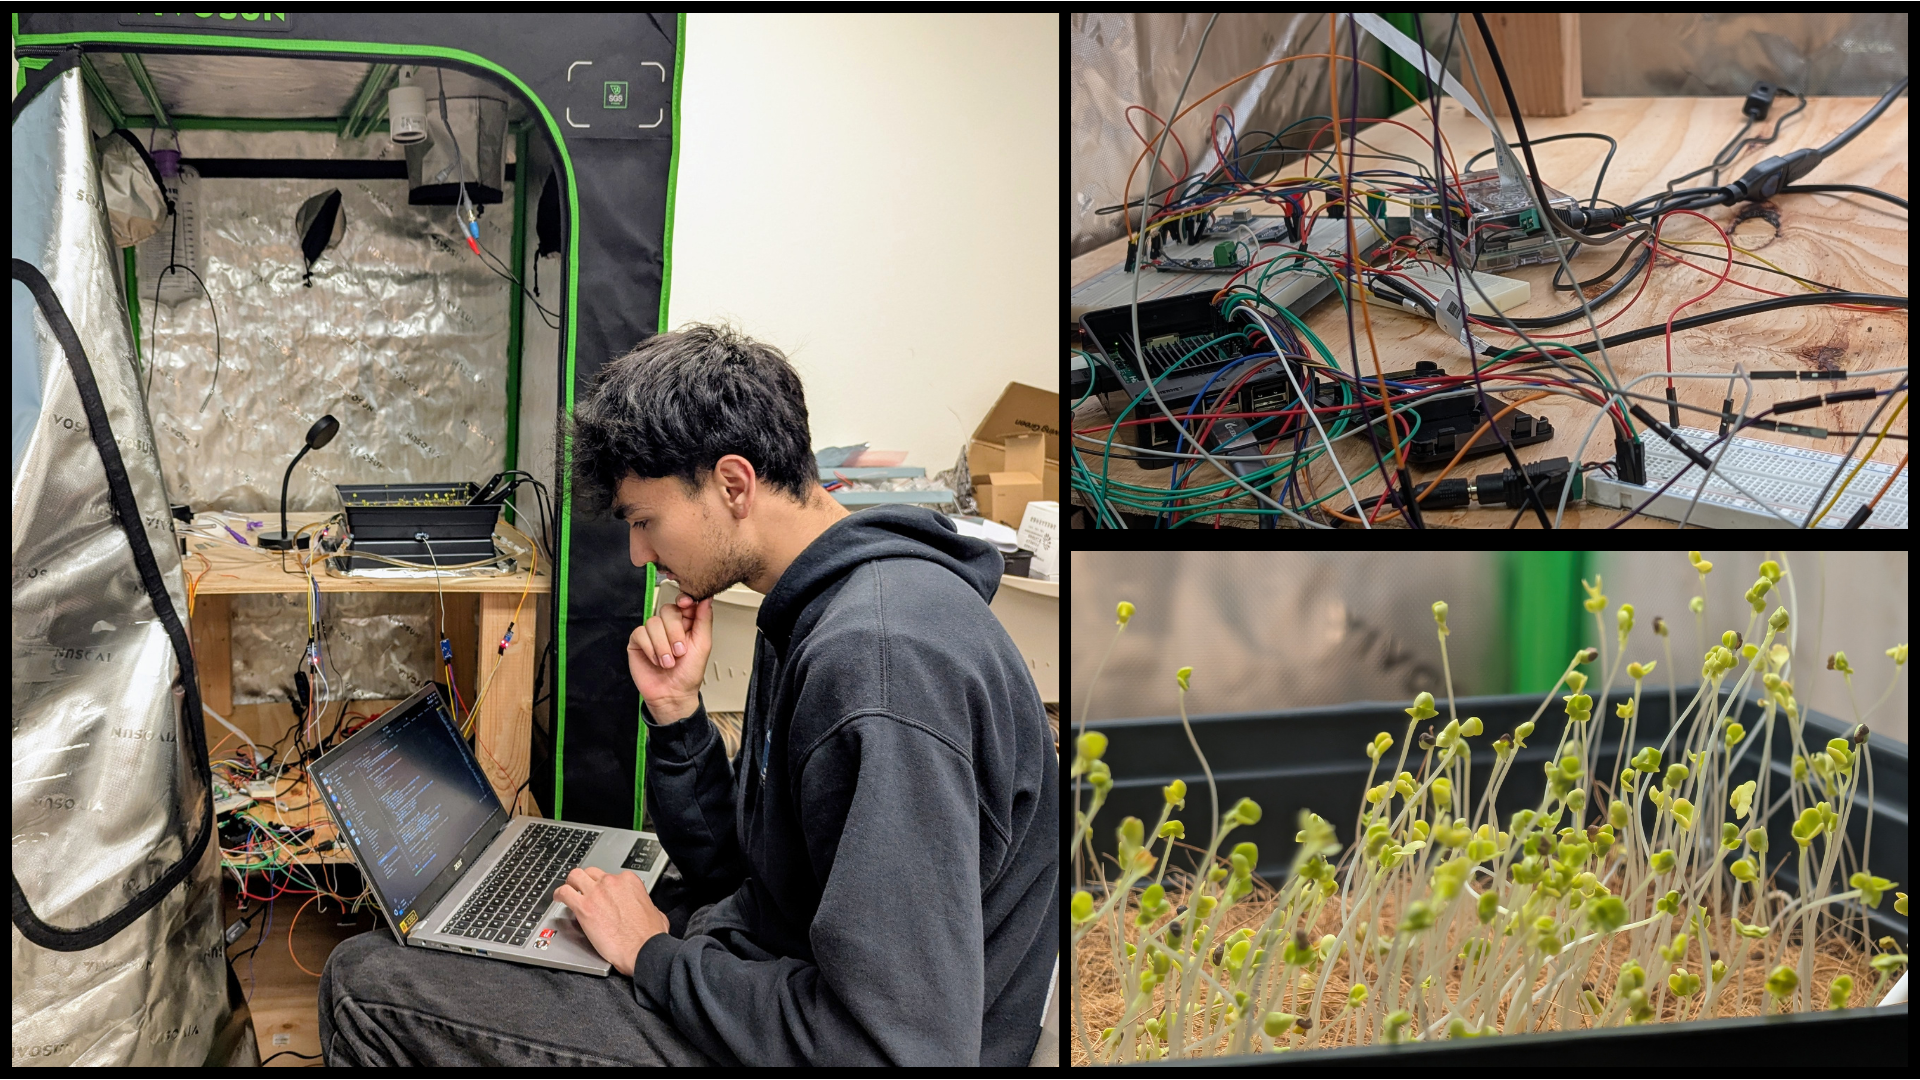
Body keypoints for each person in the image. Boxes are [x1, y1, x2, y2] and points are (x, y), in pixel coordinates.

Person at [319, 324, 1057, 1066]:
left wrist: (654, 958)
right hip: (776, 970)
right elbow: (748, 874)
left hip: (829, 1041)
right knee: (497, 935)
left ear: (733, 485)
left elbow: (893, 1046)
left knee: (365, 986)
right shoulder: (817, 606)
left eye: (646, 522)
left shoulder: (878, 666)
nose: (641, 555)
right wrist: (678, 719)